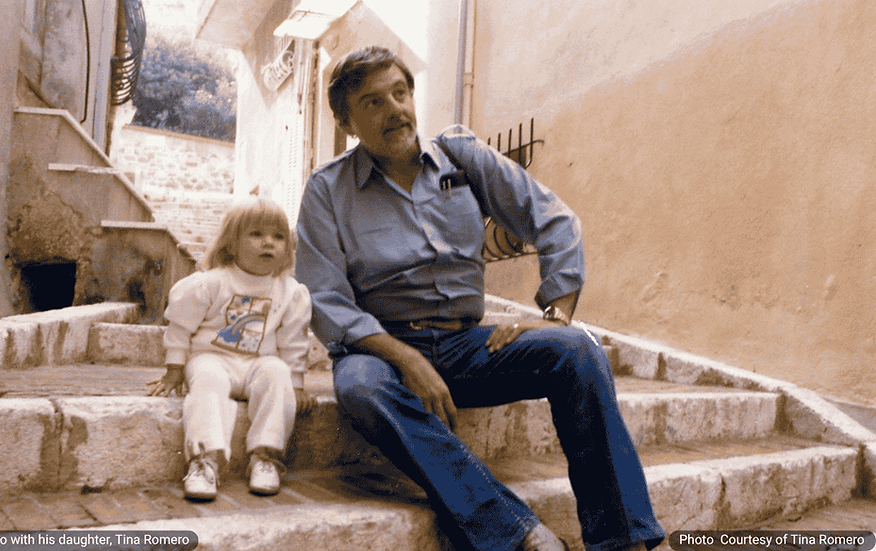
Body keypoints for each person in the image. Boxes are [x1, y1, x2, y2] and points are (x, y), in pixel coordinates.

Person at [295, 46, 665, 551]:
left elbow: (554, 220)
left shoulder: (459, 156)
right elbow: (324, 297)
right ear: (347, 120)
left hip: (468, 347)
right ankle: (517, 534)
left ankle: (627, 540)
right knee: (361, 389)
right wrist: (403, 357)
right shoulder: (327, 190)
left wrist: (556, 316)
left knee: (579, 351)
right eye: (373, 102)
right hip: (380, 352)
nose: (394, 110)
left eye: (400, 93)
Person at [149, 197, 314, 501]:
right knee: (208, 381)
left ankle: (265, 456)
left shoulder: (290, 292)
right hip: (212, 358)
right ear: (232, 244)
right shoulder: (211, 283)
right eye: (256, 234)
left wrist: (297, 384)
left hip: (258, 363)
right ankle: (205, 459)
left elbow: (293, 342)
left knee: (277, 373)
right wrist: (174, 368)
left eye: (278, 237)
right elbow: (180, 326)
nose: (269, 243)